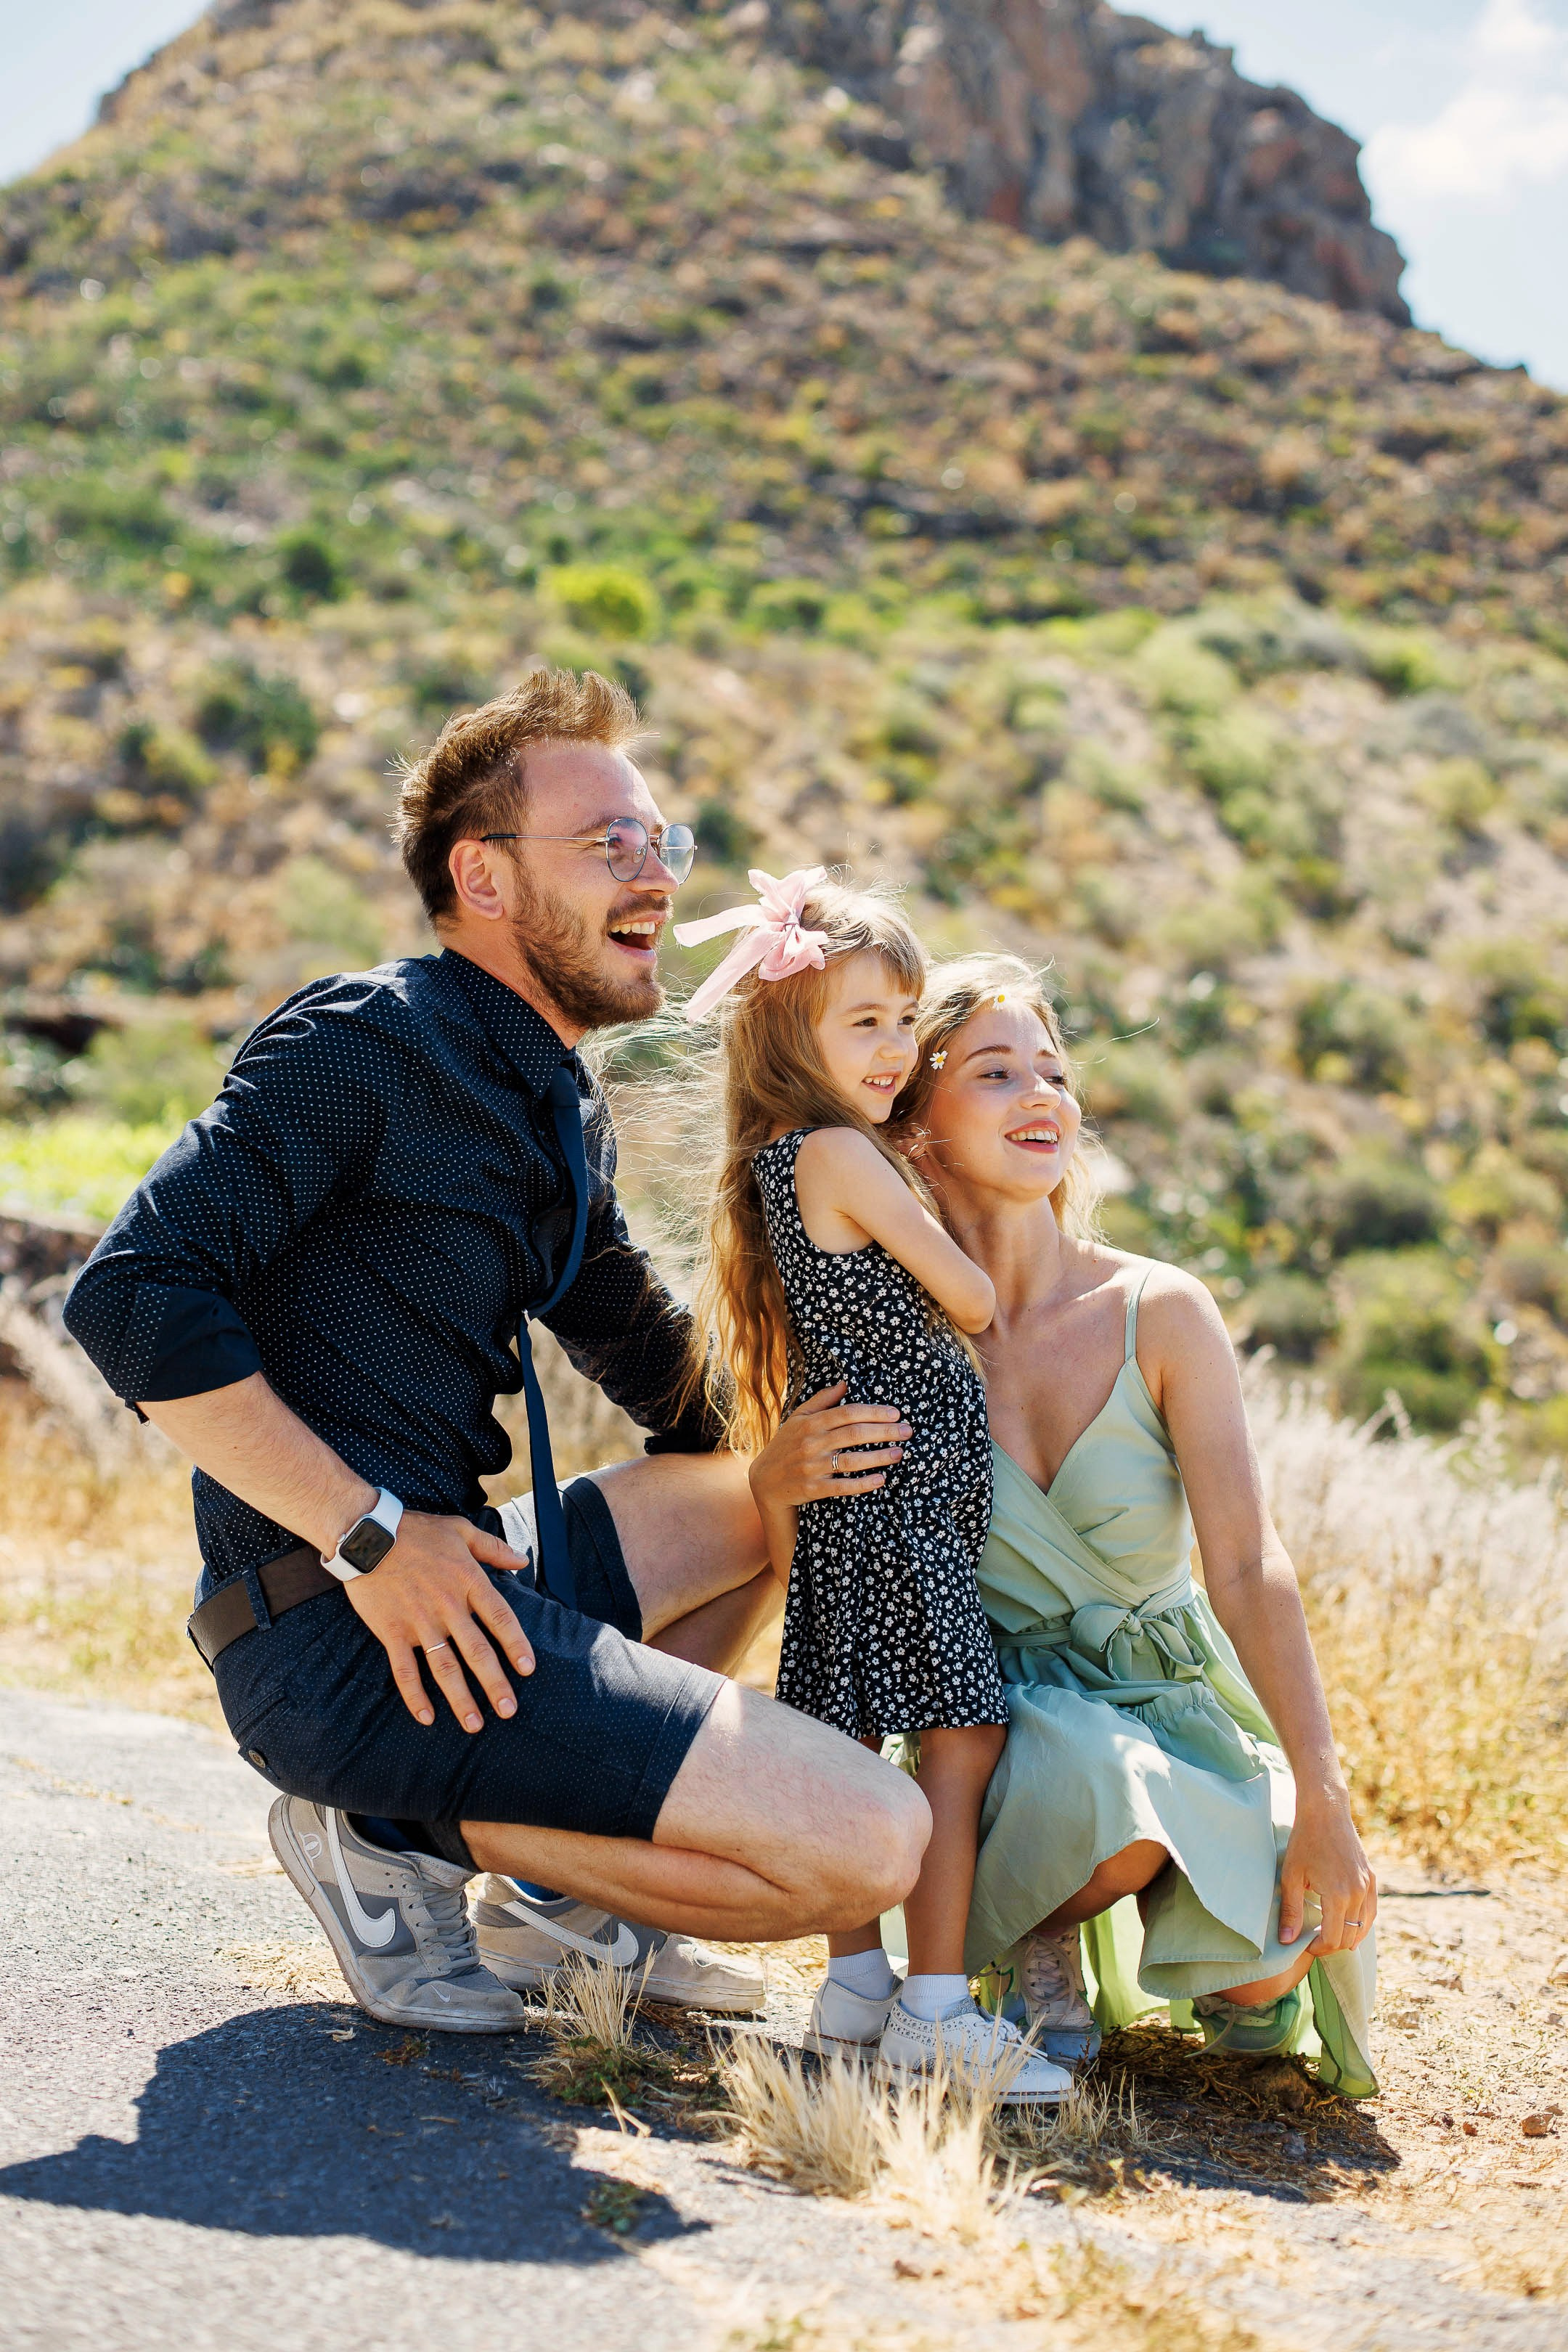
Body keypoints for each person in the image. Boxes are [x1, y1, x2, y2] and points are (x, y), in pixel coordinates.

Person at [62, 669, 929, 2035]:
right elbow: (131, 1296)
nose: (653, 873)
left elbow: (658, 1364)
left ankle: (566, 1914)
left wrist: (897, 1379)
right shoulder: (366, 1042)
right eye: (609, 846)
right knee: (871, 1844)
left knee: (759, 1491)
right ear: (483, 875)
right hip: (335, 1629)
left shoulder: (551, 1097)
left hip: (460, 1576)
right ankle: (390, 1836)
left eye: (661, 843)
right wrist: (370, 1537)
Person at [752, 952, 1379, 2096]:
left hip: (1175, 1701)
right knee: (1100, 1788)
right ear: (914, 1119)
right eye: (996, 1073)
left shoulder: (1159, 1309)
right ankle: (1023, 1943)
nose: (1044, 1094)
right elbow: (829, 1593)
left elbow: (1246, 1563)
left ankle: (1116, 1930)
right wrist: (770, 1487)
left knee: (1262, 1975)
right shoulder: (881, 1336)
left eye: (1054, 1071)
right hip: (999, 1723)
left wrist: (1325, 1796)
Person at [675, 871, 1068, 2102]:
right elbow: (972, 1297)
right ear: (795, 1035)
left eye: (907, 1020)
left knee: (846, 1719)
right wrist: (928, 1200)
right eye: (867, 1024)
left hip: (867, 1480)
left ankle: (855, 1987)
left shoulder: (788, 1161)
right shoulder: (844, 1153)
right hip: (894, 1483)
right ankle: (936, 2006)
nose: (899, 1048)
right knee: (961, 1725)